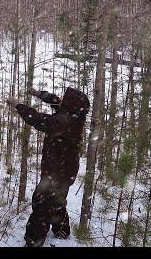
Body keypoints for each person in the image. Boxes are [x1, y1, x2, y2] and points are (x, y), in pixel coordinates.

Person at [7, 87, 90, 247]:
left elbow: (39, 120)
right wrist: (39, 94)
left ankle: (33, 241)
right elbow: (55, 100)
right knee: (57, 201)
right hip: (64, 171)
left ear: (70, 105)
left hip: (59, 171)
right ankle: (62, 232)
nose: (61, 101)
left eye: (65, 100)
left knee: (41, 203)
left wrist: (18, 105)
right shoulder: (74, 114)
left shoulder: (66, 121)